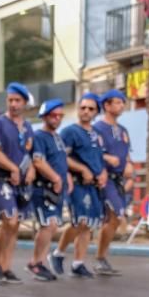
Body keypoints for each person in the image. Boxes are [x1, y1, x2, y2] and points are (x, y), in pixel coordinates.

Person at [0, 82, 35, 284]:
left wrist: (31, 169)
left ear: (24, 103)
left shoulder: (28, 126)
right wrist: (13, 168)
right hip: (2, 179)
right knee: (10, 220)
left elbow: (30, 153)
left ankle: (6, 267)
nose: (13, 104)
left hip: (22, 183)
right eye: (10, 100)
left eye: (18, 100)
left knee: (15, 226)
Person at [52, 93, 105, 278]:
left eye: (91, 109)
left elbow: (99, 158)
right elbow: (61, 156)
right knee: (79, 221)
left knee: (88, 225)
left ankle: (78, 263)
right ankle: (58, 253)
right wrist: (82, 169)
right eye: (83, 108)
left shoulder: (97, 134)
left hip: (94, 186)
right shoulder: (69, 132)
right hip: (76, 184)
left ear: (96, 111)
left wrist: (103, 173)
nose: (86, 111)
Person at [92, 89, 133, 276]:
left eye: (122, 102)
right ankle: (99, 258)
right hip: (105, 178)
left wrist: (129, 164)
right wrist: (108, 158)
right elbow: (91, 152)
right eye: (117, 102)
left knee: (113, 219)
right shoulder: (97, 128)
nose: (121, 105)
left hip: (119, 180)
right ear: (107, 106)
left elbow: (126, 152)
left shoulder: (123, 131)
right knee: (115, 216)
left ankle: (100, 257)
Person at [29, 99, 70, 281]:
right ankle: (36, 263)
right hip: (43, 188)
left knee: (52, 226)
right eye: (54, 115)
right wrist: (54, 177)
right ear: (45, 116)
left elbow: (61, 161)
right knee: (49, 225)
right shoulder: (39, 136)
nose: (57, 118)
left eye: (60, 115)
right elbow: (38, 161)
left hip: (57, 188)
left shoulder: (57, 137)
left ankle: (41, 262)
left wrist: (66, 177)